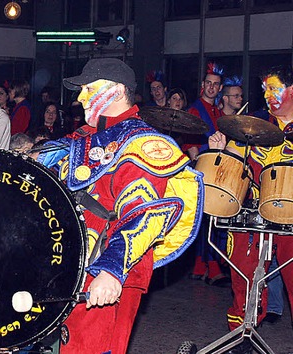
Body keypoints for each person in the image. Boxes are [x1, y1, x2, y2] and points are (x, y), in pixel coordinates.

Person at [35, 58, 202, 354]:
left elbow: (145, 213)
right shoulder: (87, 135)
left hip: (111, 269)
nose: (80, 97)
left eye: (88, 89)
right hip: (74, 264)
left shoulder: (144, 143)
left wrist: (111, 271)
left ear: (115, 90)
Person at [208, 64, 293, 342]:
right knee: (243, 277)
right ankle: (241, 337)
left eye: (274, 88)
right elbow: (232, 162)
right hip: (255, 215)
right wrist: (221, 151)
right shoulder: (255, 125)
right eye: (265, 89)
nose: (268, 94)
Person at [186, 63, 230, 287]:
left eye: (216, 84)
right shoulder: (195, 110)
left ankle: (202, 264)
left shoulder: (219, 112)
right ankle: (209, 266)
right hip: (203, 167)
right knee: (206, 219)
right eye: (208, 83)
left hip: (217, 167)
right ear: (202, 85)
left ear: (219, 87)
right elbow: (191, 143)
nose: (212, 87)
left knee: (208, 219)